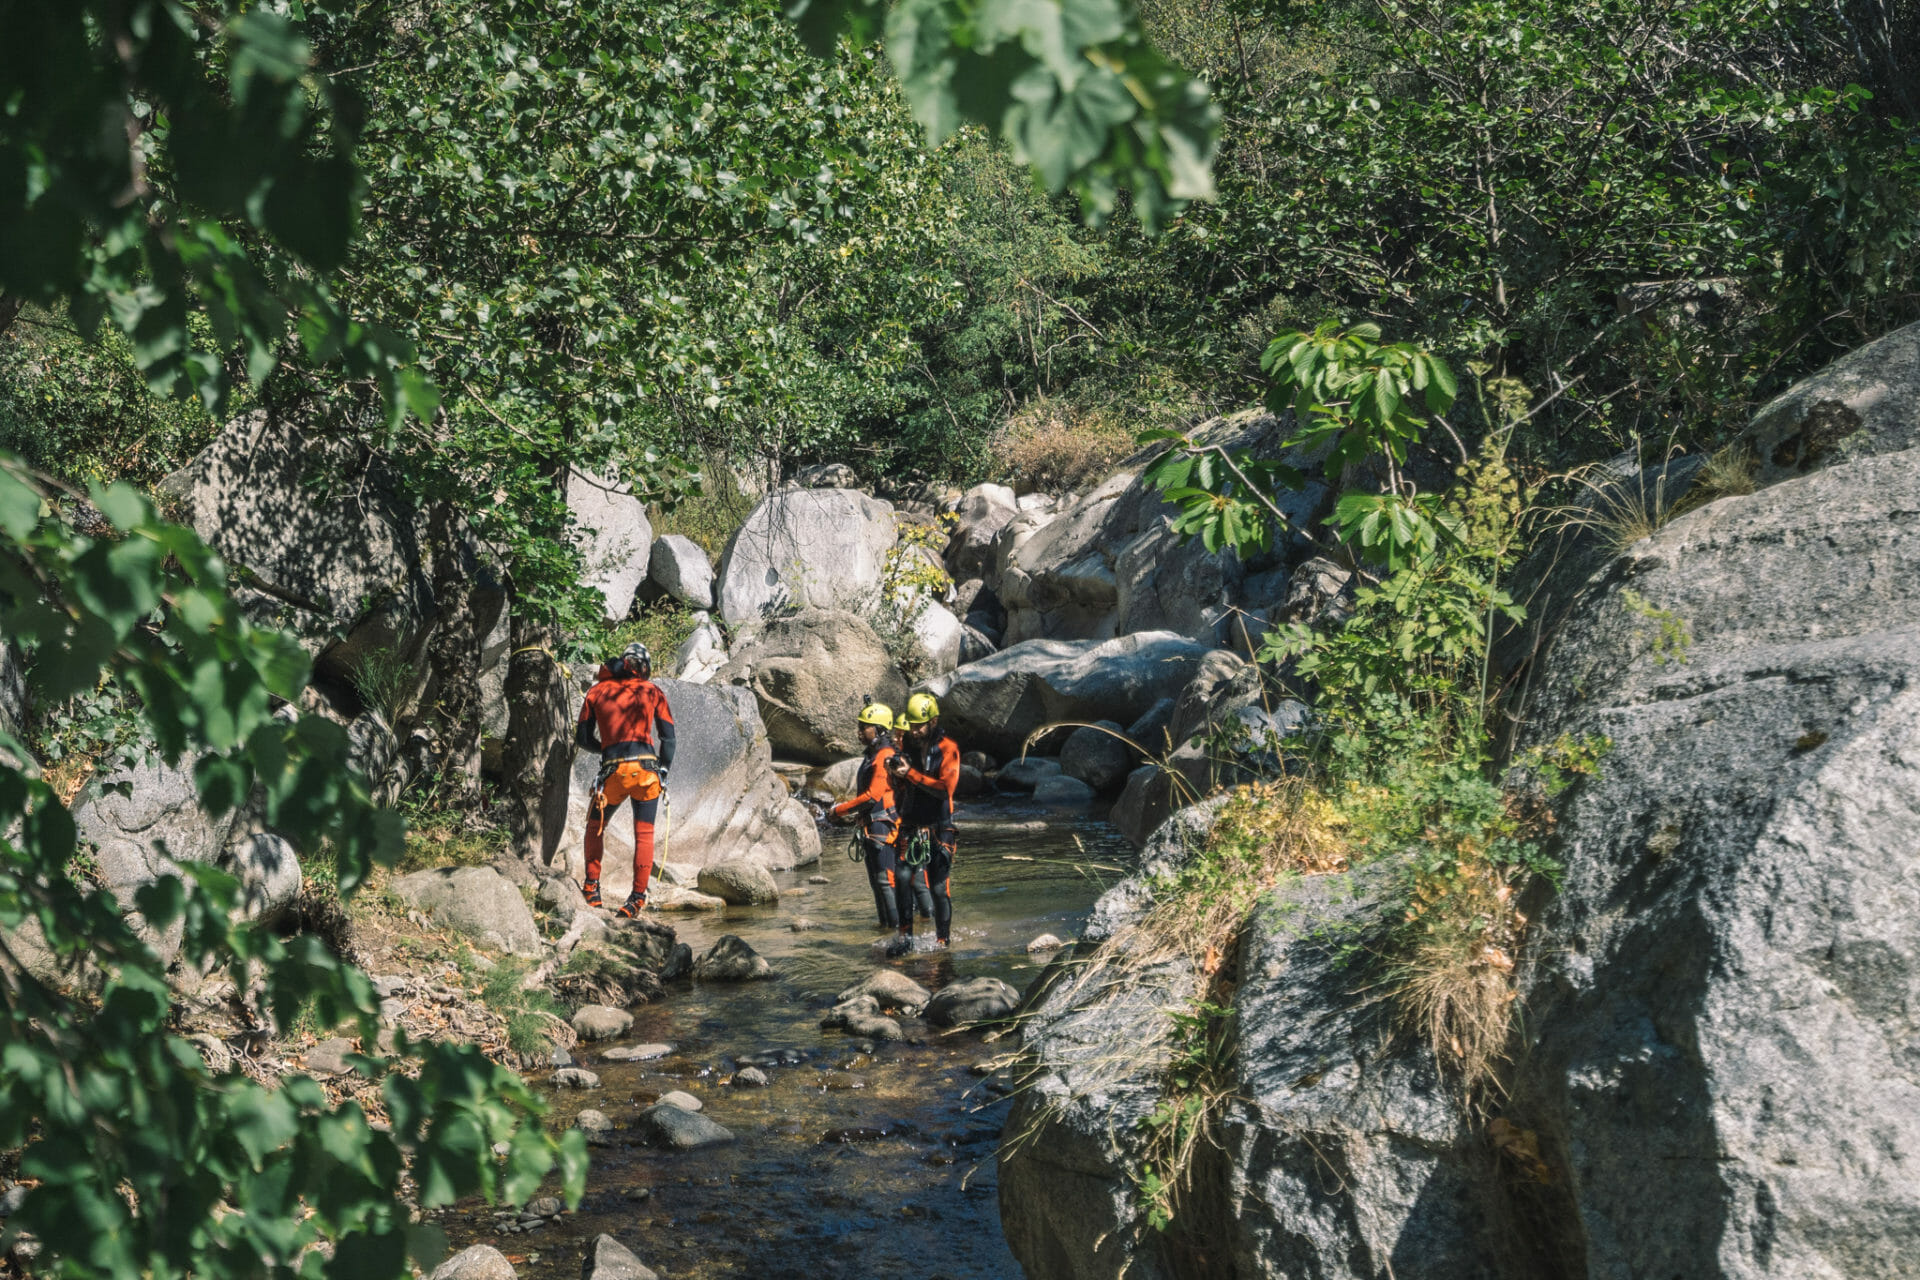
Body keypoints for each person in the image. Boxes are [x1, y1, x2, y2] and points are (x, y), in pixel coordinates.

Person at [576, 641, 675, 917]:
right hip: (646, 773)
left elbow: (582, 739)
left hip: (612, 774)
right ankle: (635, 901)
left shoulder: (596, 692)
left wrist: (606, 748)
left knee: (595, 827)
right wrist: (664, 770)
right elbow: (668, 738)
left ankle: (591, 889)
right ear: (643, 667)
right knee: (644, 835)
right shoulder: (652, 691)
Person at [888, 691, 961, 948]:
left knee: (939, 888)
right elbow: (900, 786)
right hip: (911, 824)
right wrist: (896, 775)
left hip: (940, 827)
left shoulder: (948, 749)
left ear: (933, 721)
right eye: (912, 725)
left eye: (920, 725)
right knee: (902, 878)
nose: (915, 731)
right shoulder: (907, 745)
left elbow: (945, 789)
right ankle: (905, 937)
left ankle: (943, 940)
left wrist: (910, 774)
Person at [829, 698, 901, 932]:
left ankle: (896, 931)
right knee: (876, 883)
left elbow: (873, 796)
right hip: (872, 825)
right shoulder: (873, 755)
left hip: (883, 826)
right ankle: (885, 929)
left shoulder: (884, 756)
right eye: (860, 726)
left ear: (879, 729)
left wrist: (839, 811)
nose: (859, 731)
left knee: (885, 881)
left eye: (864, 727)